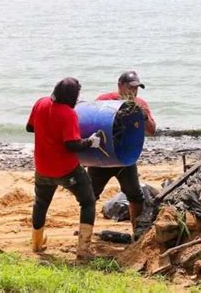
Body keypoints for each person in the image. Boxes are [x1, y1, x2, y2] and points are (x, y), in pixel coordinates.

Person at [26, 77, 101, 259]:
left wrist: (48, 132)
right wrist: (91, 141)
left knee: (41, 202)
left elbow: (30, 128)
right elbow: (72, 145)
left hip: (42, 166)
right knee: (88, 201)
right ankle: (83, 249)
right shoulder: (68, 113)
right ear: (72, 96)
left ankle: (36, 244)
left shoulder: (40, 103)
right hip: (66, 170)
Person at [88, 71, 156, 232]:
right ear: (120, 86)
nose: (134, 92)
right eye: (130, 87)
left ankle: (136, 234)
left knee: (135, 196)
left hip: (125, 158)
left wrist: (144, 116)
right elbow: (91, 124)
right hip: (103, 158)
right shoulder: (104, 100)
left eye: (137, 88)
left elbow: (152, 131)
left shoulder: (140, 104)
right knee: (89, 197)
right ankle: (85, 235)